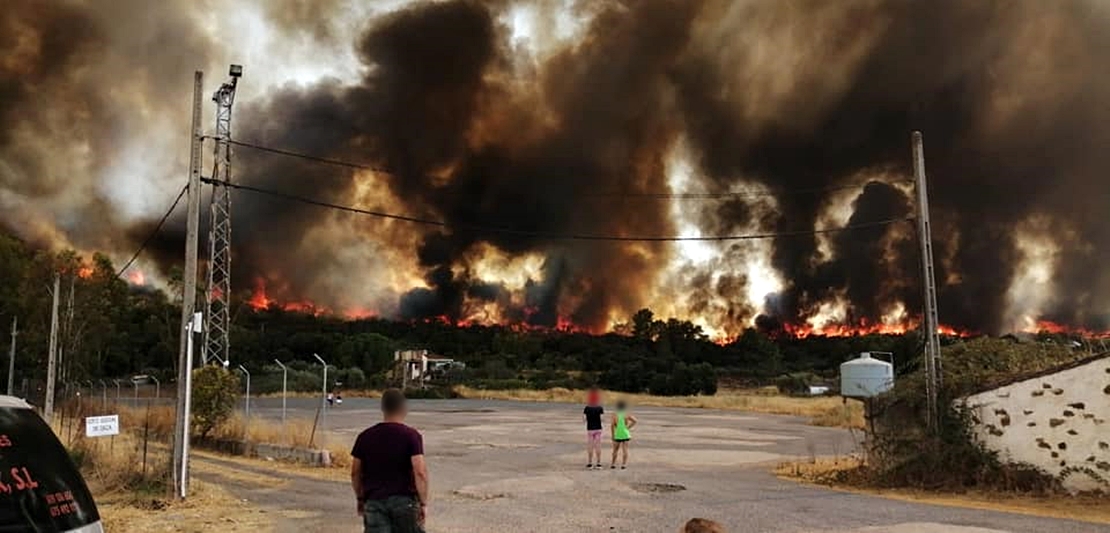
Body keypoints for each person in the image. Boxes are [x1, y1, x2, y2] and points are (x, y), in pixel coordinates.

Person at [350, 389, 429, 533]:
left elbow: (355, 472)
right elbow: (420, 472)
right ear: (403, 408)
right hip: (405, 502)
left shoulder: (365, 437)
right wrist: (423, 503)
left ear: (382, 408)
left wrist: (360, 498)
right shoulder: (411, 436)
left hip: (374, 501)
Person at [610, 399, 637, 469]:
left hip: (618, 434)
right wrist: (628, 427)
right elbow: (635, 421)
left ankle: (613, 464)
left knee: (615, 450)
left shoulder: (615, 415)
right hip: (625, 433)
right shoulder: (626, 414)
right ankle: (623, 464)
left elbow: (612, 426)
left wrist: (612, 435)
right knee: (625, 450)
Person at [583, 388, 605, 469]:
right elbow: (602, 419)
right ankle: (599, 463)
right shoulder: (600, 408)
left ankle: (590, 463)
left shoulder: (587, 408)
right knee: (598, 446)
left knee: (590, 446)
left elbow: (584, 419)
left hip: (590, 429)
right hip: (598, 429)